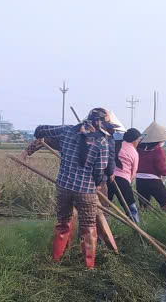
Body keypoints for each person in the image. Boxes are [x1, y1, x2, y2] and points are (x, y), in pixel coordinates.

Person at [27, 107, 118, 268]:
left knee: (63, 223)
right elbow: (100, 170)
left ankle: (57, 260)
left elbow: (40, 130)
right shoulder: (102, 142)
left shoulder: (67, 130)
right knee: (88, 227)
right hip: (86, 190)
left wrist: (38, 138)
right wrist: (96, 185)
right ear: (101, 123)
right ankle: (88, 266)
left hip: (63, 186)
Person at [136, 121, 166, 211]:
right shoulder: (158, 150)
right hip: (153, 180)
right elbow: (161, 167)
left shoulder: (139, 148)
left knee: (143, 204)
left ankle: (143, 219)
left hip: (140, 180)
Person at [107, 127, 142, 221]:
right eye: (138, 140)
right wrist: (128, 182)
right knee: (131, 207)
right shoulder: (134, 152)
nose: (138, 143)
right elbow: (133, 172)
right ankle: (137, 229)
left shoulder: (115, 144)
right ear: (134, 140)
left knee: (105, 206)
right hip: (123, 180)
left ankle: (102, 230)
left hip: (108, 177)